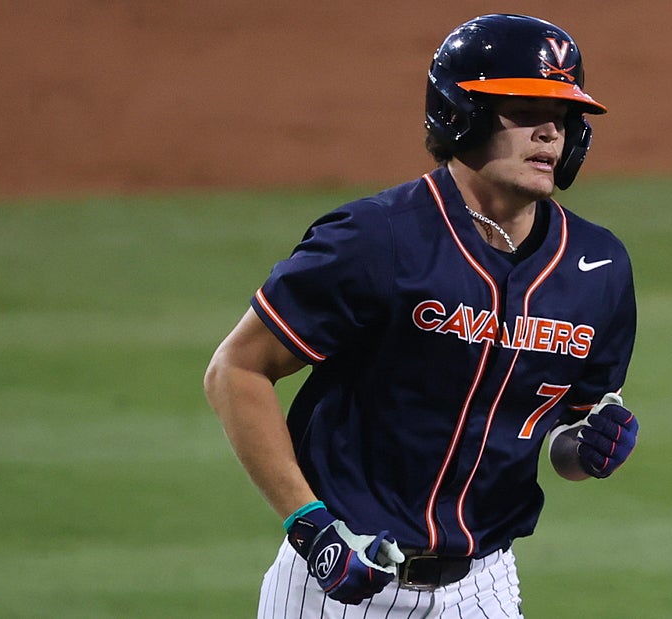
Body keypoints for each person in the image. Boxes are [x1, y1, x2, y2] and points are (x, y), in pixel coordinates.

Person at [204, 13, 639, 618]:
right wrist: (310, 528)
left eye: (564, 116)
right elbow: (236, 371)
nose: (550, 132)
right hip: (342, 584)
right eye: (524, 110)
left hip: (483, 585)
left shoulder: (598, 267)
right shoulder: (375, 238)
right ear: (462, 114)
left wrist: (586, 447)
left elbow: (565, 434)